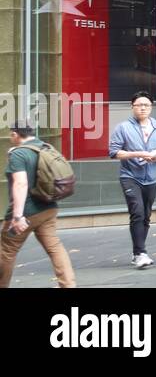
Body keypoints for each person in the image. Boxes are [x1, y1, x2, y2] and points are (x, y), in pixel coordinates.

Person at [1, 123, 76, 288]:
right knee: (54, 247)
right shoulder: (45, 147)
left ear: (15, 134)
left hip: (26, 212)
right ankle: (68, 285)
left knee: (6, 251)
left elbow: (20, 184)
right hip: (48, 208)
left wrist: (17, 216)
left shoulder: (19, 154)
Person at [107, 92, 156, 269]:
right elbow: (114, 152)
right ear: (132, 107)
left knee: (146, 216)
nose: (142, 108)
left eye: (146, 105)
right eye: (138, 105)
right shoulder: (123, 128)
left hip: (151, 177)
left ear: (151, 107)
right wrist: (138, 154)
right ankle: (140, 253)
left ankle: (140, 252)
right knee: (137, 212)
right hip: (130, 177)